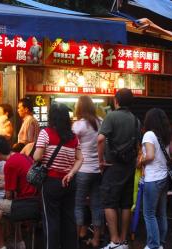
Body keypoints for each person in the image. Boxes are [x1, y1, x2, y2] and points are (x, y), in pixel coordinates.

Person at [33, 103, 83, 249]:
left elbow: (37, 157)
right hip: (69, 182)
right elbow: (80, 158)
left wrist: (35, 149)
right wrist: (71, 173)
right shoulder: (73, 137)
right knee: (69, 220)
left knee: (51, 220)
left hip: (51, 182)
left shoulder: (46, 133)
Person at [97, 88, 141, 249]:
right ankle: (123, 240)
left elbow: (101, 139)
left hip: (113, 166)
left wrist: (100, 161)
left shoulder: (111, 116)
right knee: (125, 203)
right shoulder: (136, 120)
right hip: (129, 167)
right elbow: (138, 145)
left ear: (116, 101)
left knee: (109, 202)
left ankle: (114, 241)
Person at [0, 135, 38, 249]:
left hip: (26, 204)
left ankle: (0, 245)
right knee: (4, 208)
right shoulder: (22, 156)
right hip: (37, 201)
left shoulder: (10, 163)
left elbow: (9, 194)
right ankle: (16, 241)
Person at [72, 96, 103, 248]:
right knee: (96, 205)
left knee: (78, 205)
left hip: (82, 170)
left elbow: (71, 146)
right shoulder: (100, 122)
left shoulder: (78, 125)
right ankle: (96, 240)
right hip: (97, 170)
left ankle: (75, 239)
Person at [138, 108, 171, 249]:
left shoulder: (149, 135)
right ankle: (160, 243)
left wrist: (140, 161)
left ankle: (153, 245)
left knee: (149, 214)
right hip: (163, 177)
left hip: (153, 178)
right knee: (161, 213)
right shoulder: (164, 135)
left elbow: (150, 156)